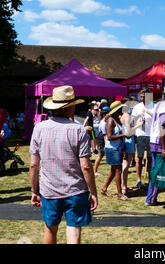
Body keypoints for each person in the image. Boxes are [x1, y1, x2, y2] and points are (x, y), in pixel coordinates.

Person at [29, 85, 98, 244]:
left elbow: (33, 165)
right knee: (73, 229)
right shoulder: (78, 130)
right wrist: (93, 192)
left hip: (50, 190)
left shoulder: (39, 128)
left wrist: (34, 190)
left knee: (50, 228)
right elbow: (86, 166)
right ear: (71, 107)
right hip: (75, 189)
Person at [100, 101, 131, 201]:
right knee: (118, 170)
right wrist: (123, 135)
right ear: (116, 110)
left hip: (117, 148)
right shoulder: (110, 121)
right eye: (121, 109)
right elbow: (109, 137)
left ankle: (104, 189)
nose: (122, 110)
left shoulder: (117, 119)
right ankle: (119, 194)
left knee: (113, 171)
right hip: (112, 149)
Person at [131, 88, 154, 189]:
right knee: (139, 158)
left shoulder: (154, 105)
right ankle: (139, 179)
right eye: (141, 97)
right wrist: (138, 118)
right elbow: (132, 120)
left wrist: (148, 112)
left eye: (144, 97)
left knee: (150, 158)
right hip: (140, 134)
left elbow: (157, 117)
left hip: (151, 135)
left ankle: (150, 179)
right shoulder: (137, 107)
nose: (142, 98)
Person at [93, 106, 110, 177]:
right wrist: (107, 144)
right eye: (108, 114)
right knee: (100, 156)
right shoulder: (103, 123)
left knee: (101, 155)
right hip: (101, 141)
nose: (109, 116)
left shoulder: (104, 122)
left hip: (101, 140)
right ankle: (95, 171)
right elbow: (104, 134)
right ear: (104, 115)